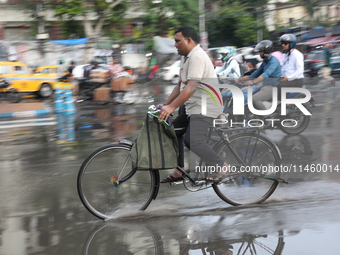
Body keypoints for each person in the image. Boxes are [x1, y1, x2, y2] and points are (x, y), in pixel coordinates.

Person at [158, 26, 227, 183]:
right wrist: (164, 104)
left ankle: (221, 165)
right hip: (193, 105)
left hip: (206, 105)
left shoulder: (196, 57)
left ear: (188, 40)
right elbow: (179, 86)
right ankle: (180, 169)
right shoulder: (186, 57)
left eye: (177, 41)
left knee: (193, 141)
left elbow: (192, 87)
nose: (175, 44)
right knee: (171, 132)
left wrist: (171, 108)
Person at [237, 40, 281, 111]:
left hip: (273, 87)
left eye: (261, 52)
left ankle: (265, 116)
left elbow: (265, 74)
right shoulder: (265, 62)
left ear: (266, 51)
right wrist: (241, 79)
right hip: (264, 85)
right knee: (245, 95)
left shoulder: (273, 61)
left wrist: (253, 82)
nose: (259, 54)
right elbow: (255, 73)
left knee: (254, 99)